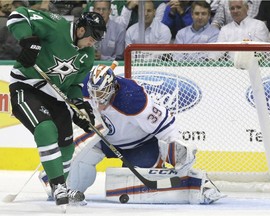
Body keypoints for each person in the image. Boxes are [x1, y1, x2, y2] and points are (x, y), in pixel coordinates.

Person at [37, 62, 225, 205]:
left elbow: (165, 124)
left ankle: (193, 179)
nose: (97, 100)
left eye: (102, 94)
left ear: (113, 87)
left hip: (139, 145)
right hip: (103, 139)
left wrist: (177, 145)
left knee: (133, 191)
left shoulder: (132, 99)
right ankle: (53, 178)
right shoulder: (86, 86)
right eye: (94, 94)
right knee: (76, 180)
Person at [7, 6, 106, 207]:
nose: (93, 43)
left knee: (67, 145)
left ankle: (59, 184)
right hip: (27, 87)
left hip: (55, 97)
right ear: (81, 30)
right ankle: (59, 185)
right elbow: (17, 15)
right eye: (92, 37)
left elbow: (74, 86)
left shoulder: (87, 56)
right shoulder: (56, 26)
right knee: (45, 129)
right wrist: (28, 41)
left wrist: (80, 107)